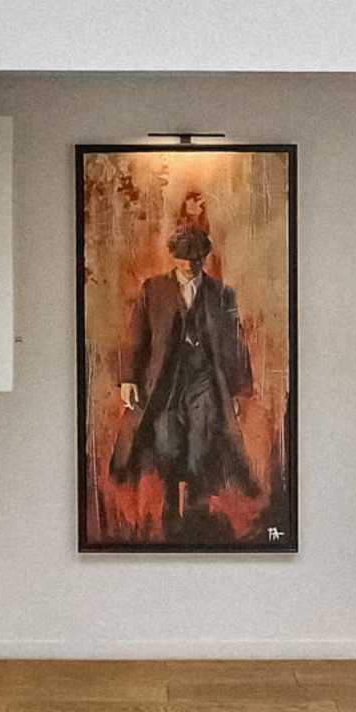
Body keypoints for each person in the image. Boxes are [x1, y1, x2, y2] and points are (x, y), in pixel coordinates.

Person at [116, 191, 256, 539]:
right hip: (164, 382)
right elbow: (137, 336)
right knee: (167, 443)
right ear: (175, 257)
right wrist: (129, 379)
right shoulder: (154, 289)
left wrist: (239, 390)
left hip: (205, 381)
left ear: (205, 258)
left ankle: (195, 507)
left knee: (201, 443)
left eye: (196, 259)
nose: (190, 265)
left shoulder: (222, 294)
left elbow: (235, 342)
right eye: (184, 259)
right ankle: (167, 505)